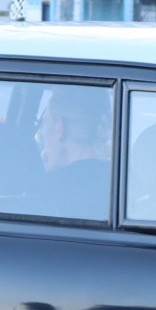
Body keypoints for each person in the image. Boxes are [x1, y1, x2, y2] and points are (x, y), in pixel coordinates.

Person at [35, 85, 114, 220]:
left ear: (59, 128)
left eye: (45, 125)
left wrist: (48, 177)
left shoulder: (46, 194)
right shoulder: (120, 183)